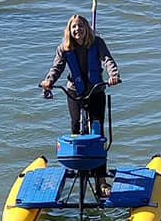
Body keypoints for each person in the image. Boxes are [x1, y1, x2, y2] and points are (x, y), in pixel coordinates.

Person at [40, 14, 121, 196]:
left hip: (96, 90)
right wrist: (48, 81)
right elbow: (57, 68)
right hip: (75, 90)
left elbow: (107, 60)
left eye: (81, 26)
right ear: (69, 30)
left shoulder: (97, 43)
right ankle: (77, 164)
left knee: (98, 133)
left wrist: (113, 75)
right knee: (75, 126)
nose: (77, 30)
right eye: (74, 27)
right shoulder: (63, 48)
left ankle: (101, 180)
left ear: (86, 28)